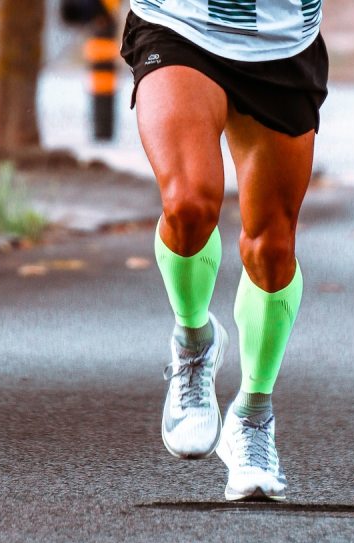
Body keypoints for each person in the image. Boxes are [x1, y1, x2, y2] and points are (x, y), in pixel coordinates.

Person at [120, 1, 328, 501]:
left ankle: (253, 417)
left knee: (272, 248)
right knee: (189, 203)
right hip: (179, 23)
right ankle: (194, 344)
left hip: (281, 41)